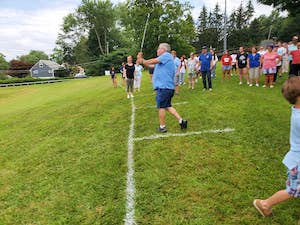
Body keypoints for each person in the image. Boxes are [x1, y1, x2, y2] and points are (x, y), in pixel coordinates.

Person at [253, 76, 300, 217]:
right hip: (298, 163)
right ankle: (265, 204)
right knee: (292, 191)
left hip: (295, 160)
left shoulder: (297, 110)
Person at [136, 43, 188, 133]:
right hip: (166, 87)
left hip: (164, 87)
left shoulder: (166, 56)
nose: (157, 50)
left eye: (158, 48)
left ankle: (162, 127)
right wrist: (142, 60)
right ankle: (181, 121)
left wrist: (143, 60)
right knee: (167, 106)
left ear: (163, 50)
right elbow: (151, 65)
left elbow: (152, 61)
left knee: (161, 107)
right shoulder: (163, 61)